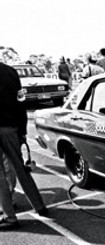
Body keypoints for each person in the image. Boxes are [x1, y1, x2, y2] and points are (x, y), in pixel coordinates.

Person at [0, 61, 49, 230]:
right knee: (21, 169)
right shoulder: (11, 72)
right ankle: (39, 206)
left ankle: (9, 216)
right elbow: (21, 102)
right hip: (11, 128)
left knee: (0, 177)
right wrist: (22, 130)